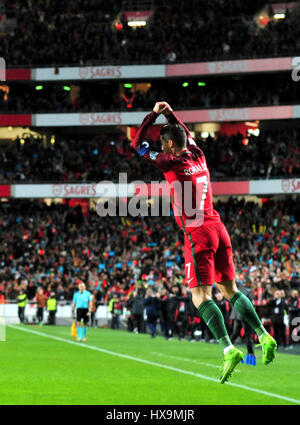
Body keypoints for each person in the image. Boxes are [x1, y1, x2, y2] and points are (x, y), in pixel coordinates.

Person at [131, 101, 277, 383]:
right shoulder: (198, 154)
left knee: (201, 297)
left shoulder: (170, 161)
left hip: (197, 233)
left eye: (164, 143)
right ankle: (263, 335)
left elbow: (138, 143)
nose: (161, 148)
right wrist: (170, 114)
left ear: (171, 144)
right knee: (231, 289)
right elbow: (185, 132)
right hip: (218, 227)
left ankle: (228, 348)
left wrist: (153, 115)